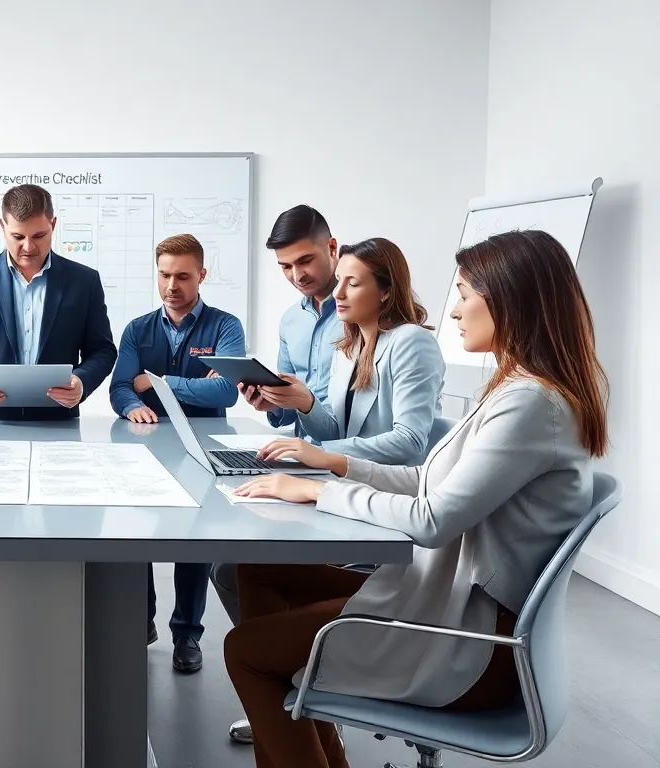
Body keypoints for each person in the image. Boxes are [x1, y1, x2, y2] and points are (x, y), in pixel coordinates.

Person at [224, 229, 608, 768]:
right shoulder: (519, 389)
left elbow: (432, 518)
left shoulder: (531, 405)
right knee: (258, 569)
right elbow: (430, 479)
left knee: (245, 653)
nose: (454, 310)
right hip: (444, 598)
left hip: (467, 641)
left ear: (510, 301)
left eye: (467, 294)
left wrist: (317, 491)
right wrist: (335, 469)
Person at [210, 204, 344, 744]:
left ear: (333, 247)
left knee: (242, 566)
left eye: (306, 261)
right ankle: (283, 690)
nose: (297, 275)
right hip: (300, 459)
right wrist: (269, 401)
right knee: (229, 564)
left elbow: (344, 418)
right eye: (286, 267)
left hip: (335, 469)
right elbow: (295, 413)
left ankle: (291, 690)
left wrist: (305, 405)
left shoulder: (358, 312)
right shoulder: (292, 319)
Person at [108, 233, 245, 674]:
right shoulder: (137, 329)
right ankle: (140, 621)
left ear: (201, 275)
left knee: (194, 539)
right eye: (165, 275)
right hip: (146, 447)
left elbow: (227, 389)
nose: (172, 285)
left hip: (202, 447)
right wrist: (132, 402)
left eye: (183, 276)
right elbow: (120, 386)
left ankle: (187, 634)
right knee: (140, 534)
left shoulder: (225, 327)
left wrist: (159, 383)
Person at [250, 237, 445, 464]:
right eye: (339, 280)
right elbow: (335, 434)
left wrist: (320, 453)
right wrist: (306, 403)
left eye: (352, 284)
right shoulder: (347, 348)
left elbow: (410, 441)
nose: (337, 293)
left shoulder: (412, 342)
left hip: (388, 487)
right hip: (347, 477)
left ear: (386, 292)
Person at [0, 184, 117, 420]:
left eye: (39, 236)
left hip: (57, 422)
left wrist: (81, 382)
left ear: (53, 225)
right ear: (3, 226)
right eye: (18, 236)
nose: (29, 247)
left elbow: (102, 351)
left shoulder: (84, 281)